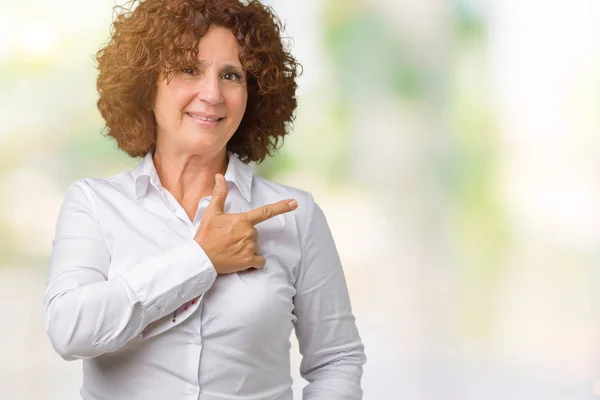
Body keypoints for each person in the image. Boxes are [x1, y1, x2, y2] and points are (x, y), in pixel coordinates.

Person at [43, 0, 366, 399]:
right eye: (189, 69)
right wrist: (201, 259)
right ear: (146, 84)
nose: (212, 94)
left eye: (231, 75)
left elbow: (336, 360)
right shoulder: (94, 206)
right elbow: (69, 331)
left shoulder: (295, 217)